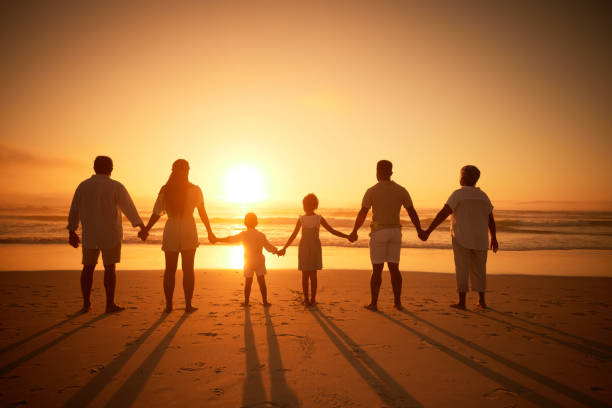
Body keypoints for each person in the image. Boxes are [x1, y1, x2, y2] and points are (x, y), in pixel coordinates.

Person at [67, 156, 146, 313]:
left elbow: (74, 209)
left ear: (94, 168)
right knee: (110, 268)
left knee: (87, 268)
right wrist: (141, 226)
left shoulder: (83, 186)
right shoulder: (115, 186)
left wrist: (72, 230)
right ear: (111, 169)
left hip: (90, 233)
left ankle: (86, 304)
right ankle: (109, 304)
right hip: (111, 233)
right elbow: (128, 207)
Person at [140, 159, 216, 313]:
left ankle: (169, 305)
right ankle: (188, 305)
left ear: (173, 170)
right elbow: (202, 212)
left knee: (170, 270)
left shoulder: (166, 189)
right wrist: (209, 231)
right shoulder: (195, 189)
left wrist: (146, 229)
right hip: (188, 228)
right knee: (188, 269)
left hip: (172, 229)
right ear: (188, 170)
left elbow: (156, 213)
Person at [419, 165, 499, 309]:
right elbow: (490, 219)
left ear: (463, 178)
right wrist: (494, 237)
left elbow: (443, 213)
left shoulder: (458, 194)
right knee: (480, 269)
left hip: (461, 237)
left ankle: (462, 302)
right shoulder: (483, 196)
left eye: (460, 175)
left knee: (462, 268)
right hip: (481, 239)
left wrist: (428, 231)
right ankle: (482, 300)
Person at [348, 160, 423, 311]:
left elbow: (363, 212)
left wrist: (354, 231)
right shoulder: (401, 190)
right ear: (391, 172)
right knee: (394, 268)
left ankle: (374, 303)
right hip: (395, 232)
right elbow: (412, 211)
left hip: (379, 232)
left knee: (377, 269)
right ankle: (397, 302)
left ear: (377, 172)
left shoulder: (372, 190)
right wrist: (420, 230)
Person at [277, 193, 350, 306]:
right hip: (315, 247)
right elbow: (332, 230)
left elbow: (293, 235)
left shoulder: (301, 219)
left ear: (304, 205)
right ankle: (313, 300)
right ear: (315, 205)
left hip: (304, 248)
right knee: (313, 275)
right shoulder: (318, 218)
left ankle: (306, 300)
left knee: (305, 275)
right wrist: (347, 236)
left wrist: (284, 248)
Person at [215, 212, 278, 307]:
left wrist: (217, 239)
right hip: (259, 260)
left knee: (248, 282)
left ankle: (246, 302)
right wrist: (277, 251)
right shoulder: (261, 235)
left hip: (248, 260)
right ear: (256, 222)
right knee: (262, 282)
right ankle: (265, 302)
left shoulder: (244, 234)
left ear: (245, 223)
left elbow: (231, 239)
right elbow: (269, 247)